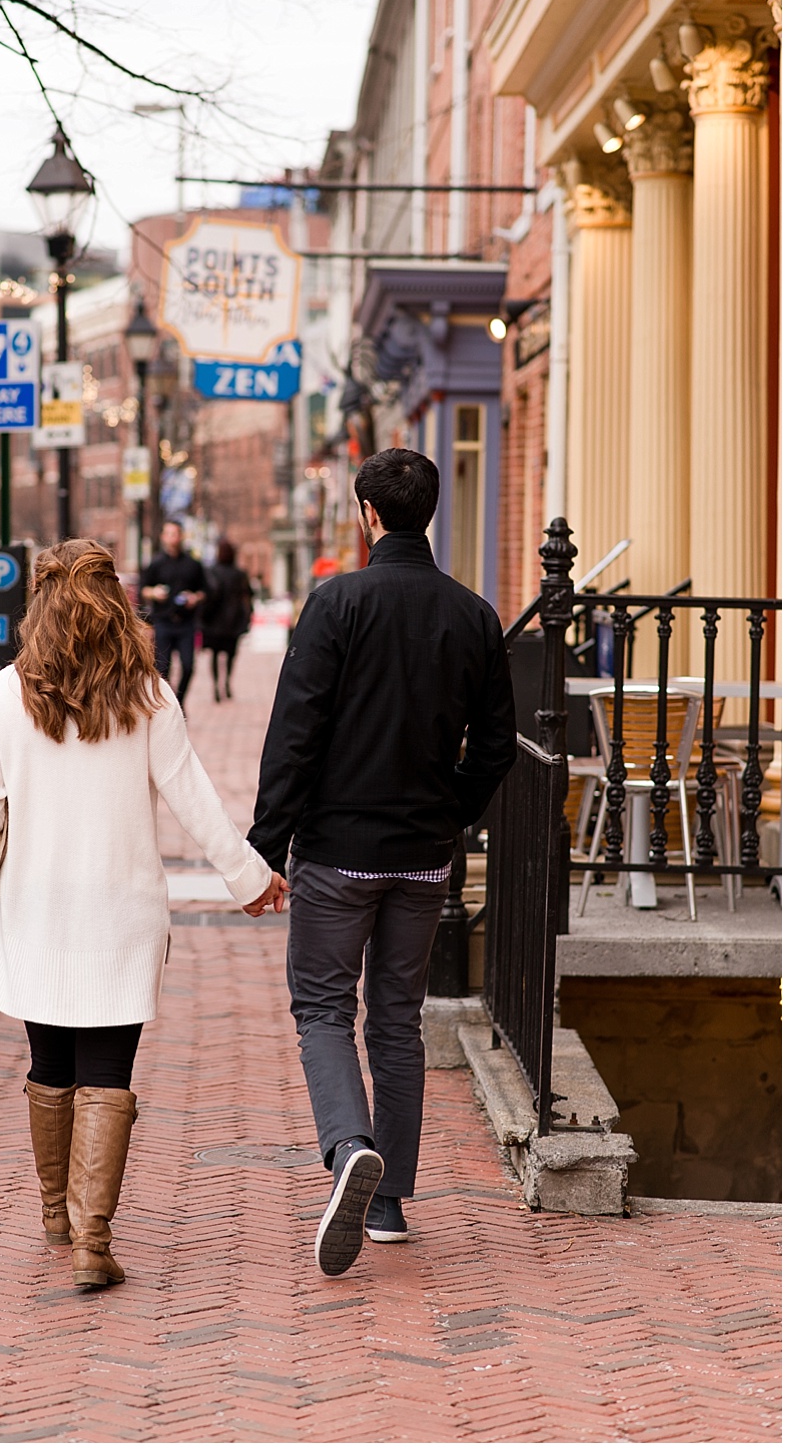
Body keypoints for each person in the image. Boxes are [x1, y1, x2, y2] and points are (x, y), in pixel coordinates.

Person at [0, 540, 286, 1291]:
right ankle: (92, 1243)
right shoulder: (147, 695)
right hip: (120, 912)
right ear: (117, 604)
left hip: (37, 907)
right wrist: (251, 879)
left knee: (50, 1063)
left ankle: (54, 1214)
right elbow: (196, 801)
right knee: (108, 1071)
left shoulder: (8, 693)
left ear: (40, 604)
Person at [247, 449, 515, 1277]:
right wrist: (451, 812)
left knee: (324, 1009)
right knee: (396, 1019)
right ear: (426, 513)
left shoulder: (335, 605)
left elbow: (296, 736)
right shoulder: (473, 615)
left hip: (336, 853)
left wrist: (263, 846)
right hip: (424, 857)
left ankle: (349, 1149)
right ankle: (390, 1199)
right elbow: (498, 747)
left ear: (368, 514)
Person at [139, 520, 208, 706]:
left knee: (188, 665)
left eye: (176, 534)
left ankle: (179, 701)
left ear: (182, 536)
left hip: (186, 622)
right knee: (162, 668)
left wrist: (195, 598)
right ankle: (168, 705)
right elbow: (143, 589)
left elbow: (205, 591)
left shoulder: (193, 564)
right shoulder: (155, 563)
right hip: (163, 621)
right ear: (163, 537)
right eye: (168, 534)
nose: (172, 538)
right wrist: (154, 593)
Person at [199, 539, 252, 702]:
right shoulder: (239, 574)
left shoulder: (212, 571)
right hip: (233, 620)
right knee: (230, 654)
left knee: (214, 655)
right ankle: (227, 682)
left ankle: (216, 685)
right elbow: (248, 594)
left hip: (214, 619)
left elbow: (207, 595)